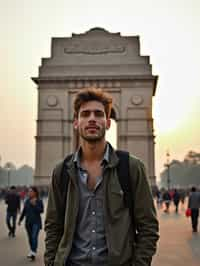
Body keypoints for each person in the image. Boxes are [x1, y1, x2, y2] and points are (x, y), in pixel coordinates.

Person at [44, 88, 159, 266]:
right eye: (85, 114)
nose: (91, 119)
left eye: (98, 114)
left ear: (108, 122)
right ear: (76, 122)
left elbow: (148, 227)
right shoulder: (61, 172)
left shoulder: (131, 168)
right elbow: (53, 227)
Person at [18, 186, 44, 260]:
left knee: (34, 237)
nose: (29, 193)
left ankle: (33, 252)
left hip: (36, 222)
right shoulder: (26, 201)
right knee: (30, 238)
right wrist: (20, 220)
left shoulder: (39, 200)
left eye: (31, 191)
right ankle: (32, 250)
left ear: (35, 193)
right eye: (29, 191)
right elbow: (24, 211)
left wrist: (35, 205)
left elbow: (41, 211)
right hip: (28, 223)